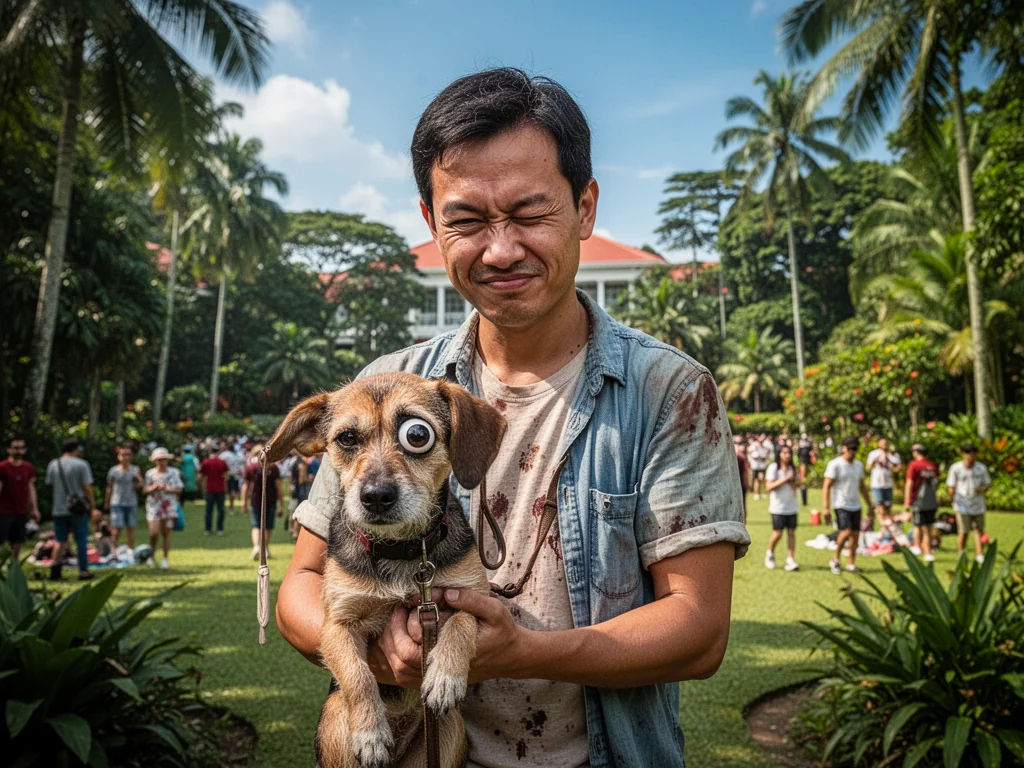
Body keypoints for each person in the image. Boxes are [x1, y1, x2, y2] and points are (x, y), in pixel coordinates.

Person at [278, 68, 749, 767]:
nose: (500, 250)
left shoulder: (667, 391)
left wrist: (522, 651)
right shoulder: (383, 387)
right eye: (467, 220)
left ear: (584, 208)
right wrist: (381, 658)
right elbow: (301, 586)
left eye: (530, 214)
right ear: (432, 224)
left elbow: (699, 631)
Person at [45, 439, 97, 580]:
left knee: (60, 539)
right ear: (75, 449)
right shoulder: (81, 464)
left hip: (58, 508)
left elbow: (51, 485)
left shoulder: (54, 464)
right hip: (77, 509)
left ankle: (55, 571)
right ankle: (83, 571)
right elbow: (87, 487)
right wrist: (92, 506)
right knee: (81, 539)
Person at [822, 435, 872, 575]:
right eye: (849, 448)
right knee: (846, 531)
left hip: (855, 504)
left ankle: (851, 563)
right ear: (843, 448)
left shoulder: (858, 465)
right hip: (841, 503)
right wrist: (826, 507)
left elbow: (862, 487)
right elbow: (826, 486)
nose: (852, 451)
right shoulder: (835, 464)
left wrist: (869, 504)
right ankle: (836, 559)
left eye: (854, 449)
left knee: (855, 535)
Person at [946, 443, 991, 563]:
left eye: (973, 455)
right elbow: (951, 486)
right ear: (963, 455)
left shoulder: (981, 468)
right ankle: (961, 554)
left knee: (979, 530)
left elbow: (987, 483)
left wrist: (981, 489)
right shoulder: (956, 468)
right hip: (962, 505)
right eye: (968, 455)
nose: (971, 457)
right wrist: (952, 501)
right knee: (963, 531)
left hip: (978, 504)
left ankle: (980, 554)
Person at [0, 436, 40, 558]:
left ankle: (14, 565)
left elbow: (31, 488)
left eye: (21, 448)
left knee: (17, 541)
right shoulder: (3, 467)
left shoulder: (28, 467)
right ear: (9, 449)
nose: (18, 451)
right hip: (4, 511)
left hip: (21, 511)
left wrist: (34, 509)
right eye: (16, 448)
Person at [143, 447, 182, 569]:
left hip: (168, 505)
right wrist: (154, 487)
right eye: (159, 459)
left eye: (164, 459)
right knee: (153, 532)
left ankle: (165, 558)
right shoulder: (150, 474)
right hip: (153, 505)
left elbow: (179, 489)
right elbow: (145, 489)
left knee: (166, 532)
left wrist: (167, 489)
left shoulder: (174, 472)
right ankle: (152, 554)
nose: (162, 462)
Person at [764, 445, 800, 571]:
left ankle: (790, 559)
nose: (787, 455)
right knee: (778, 533)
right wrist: (785, 479)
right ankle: (770, 553)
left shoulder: (793, 469)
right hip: (778, 507)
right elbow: (769, 487)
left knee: (791, 533)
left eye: (789, 453)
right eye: (784, 453)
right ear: (779, 454)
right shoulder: (774, 468)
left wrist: (793, 480)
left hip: (792, 506)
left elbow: (799, 483)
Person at [242, 445, 282, 560]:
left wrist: (244, 502)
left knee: (256, 526)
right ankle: (265, 548)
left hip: (255, 500)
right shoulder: (273, 468)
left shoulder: (250, 467)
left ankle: (256, 547)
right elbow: (278, 486)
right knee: (268, 526)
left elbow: (245, 486)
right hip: (270, 499)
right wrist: (281, 503)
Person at [904, 443, 939, 562]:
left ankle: (920, 548)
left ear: (916, 452)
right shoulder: (932, 465)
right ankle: (921, 547)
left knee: (919, 525)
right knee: (928, 526)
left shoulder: (914, 465)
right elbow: (936, 482)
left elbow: (909, 482)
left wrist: (907, 500)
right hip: (931, 501)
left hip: (918, 500)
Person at [104, 445, 142, 547]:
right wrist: (106, 503)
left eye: (128, 454)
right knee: (116, 529)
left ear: (131, 456)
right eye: (123, 454)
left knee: (131, 528)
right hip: (117, 502)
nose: (125, 457)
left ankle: (130, 551)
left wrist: (138, 478)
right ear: (118, 456)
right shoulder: (114, 471)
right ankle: (113, 550)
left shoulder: (135, 469)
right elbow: (109, 487)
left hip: (131, 502)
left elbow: (139, 486)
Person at [866, 437, 901, 514]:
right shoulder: (873, 454)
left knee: (888, 506)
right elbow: (868, 468)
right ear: (879, 444)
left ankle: (888, 520)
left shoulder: (892, 455)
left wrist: (888, 464)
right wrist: (876, 462)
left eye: (886, 443)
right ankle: (881, 520)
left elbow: (898, 468)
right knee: (879, 506)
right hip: (877, 484)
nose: (885, 445)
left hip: (888, 484)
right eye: (883, 443)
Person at [200, 448, 229, 535]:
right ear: (218, 452)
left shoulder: (206, 462)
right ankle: (220, 529)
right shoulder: (222, 462)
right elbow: (226, 476)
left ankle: (207, 529)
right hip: (220, 489)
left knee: (208, 510)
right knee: (221, 510)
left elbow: (202, 475)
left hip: (209, 489)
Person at [219, 440, 244, 512]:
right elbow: (241, 463)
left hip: (228, 475)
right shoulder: (237, 454)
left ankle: (229, 507)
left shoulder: (224, 455)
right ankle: (230, 507)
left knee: (229, 492)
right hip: (235, 475)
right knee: (233, 492)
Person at [797, 434, 815, 507]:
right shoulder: (801, 445)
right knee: (803, 472)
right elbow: (799, 454)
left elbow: (811, 453)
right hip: (803, 460)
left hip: (807, 461)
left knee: (806, 472)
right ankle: (803, 482)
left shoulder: (808, 445)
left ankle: (805, 482)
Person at [734, 435, 749, 522]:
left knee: (742, 506)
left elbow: (745, 472)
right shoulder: (741, 456)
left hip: (739, 485)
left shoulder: (741, 456)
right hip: (737, 485)